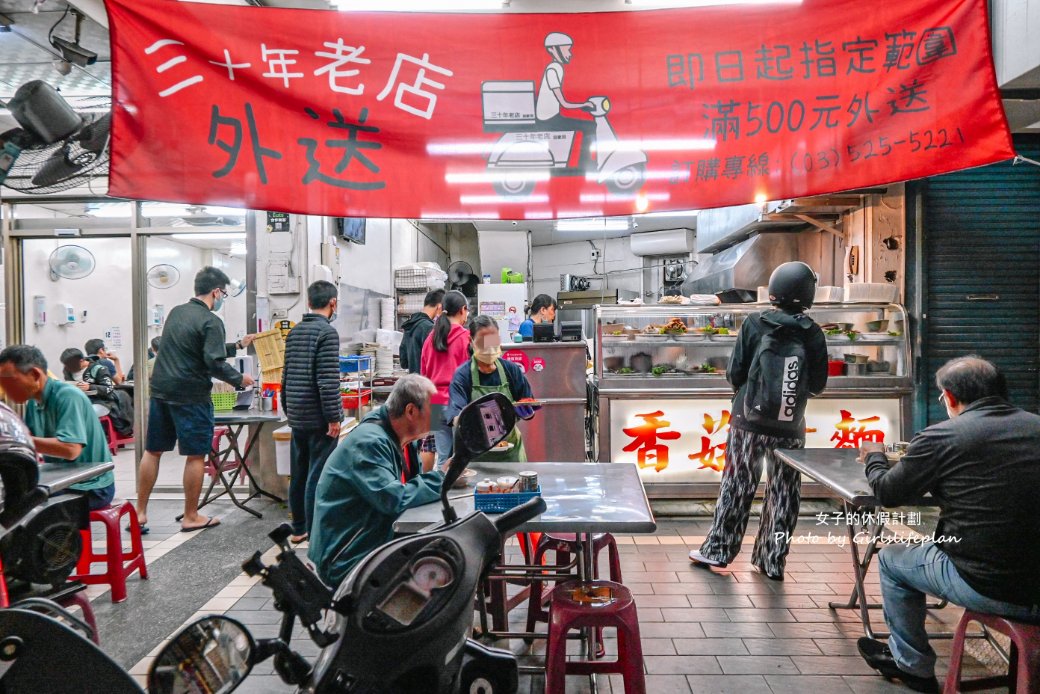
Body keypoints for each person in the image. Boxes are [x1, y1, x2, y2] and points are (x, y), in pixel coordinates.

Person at [855, 356, 1040, 693]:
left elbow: (887, 492)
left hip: (991, 586)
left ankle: (912, 666)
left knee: (891, 559)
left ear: (951, 397)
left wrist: (874, 457)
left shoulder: (942, 435)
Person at [689, 261, 828, 580]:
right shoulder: (813, 331)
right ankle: (772, 560)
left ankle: (718, 551)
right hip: (790, 425)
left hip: (747, 422)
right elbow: (819, 385)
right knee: (785, 493)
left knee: (737, 485)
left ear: (775, 290)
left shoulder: (755, 323)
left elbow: (734, 373)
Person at [136, 266, 255, 533]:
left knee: (152, 451)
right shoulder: (212, 321)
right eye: (224, 293)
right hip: (190, 395)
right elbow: (213, 362)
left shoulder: (177, 313)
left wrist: (237, 345)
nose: (223, 298)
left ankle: (140, 513)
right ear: (216, 291)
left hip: (160, 391)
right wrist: (240, 379)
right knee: (195, 456)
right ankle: (191, 516)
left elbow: (194, 348)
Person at [309, 374, 444, 586]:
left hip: (375, 541)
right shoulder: (369, 443)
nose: (439, 416)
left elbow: (410, 489)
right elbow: (395, 499)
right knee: (439, 571)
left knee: (446, 554)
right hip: (345, 557)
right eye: (433, 409)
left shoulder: (405, 440)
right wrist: (443, 478)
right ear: (410, 411)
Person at [0, 345, 115, 510]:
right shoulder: (34, 402)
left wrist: (18, 440)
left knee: (26, 509)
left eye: (10, 380)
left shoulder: (68, 396)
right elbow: (28, 446)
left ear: (34, 374)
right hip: (62, 480)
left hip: (91, 486)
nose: (5, 388)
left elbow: (70, 449)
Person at [282, 280, 343, 544]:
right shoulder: (327, 333)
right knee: (317, 475)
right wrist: (334, 417)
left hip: (297, 414)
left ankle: (298, 528)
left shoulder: (295, 332)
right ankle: (315, 530)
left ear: (308, 303)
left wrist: (289, 409)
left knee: (299, 472)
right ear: (333, 303)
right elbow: (327, 380)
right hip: (318, 416)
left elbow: (286, 377)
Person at [446, 315, 537, 463]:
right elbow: (455, 415)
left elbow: (527, 403)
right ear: (471, 341)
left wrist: (527, 411)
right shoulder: (463, 375)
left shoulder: (511, 371)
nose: (489, 347)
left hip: (510, 454)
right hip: (476, 457)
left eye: (492, 341)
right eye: (483, 342)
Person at [419, 290, 471, 466]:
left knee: (442, 458)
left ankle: (441, 492)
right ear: (463, 310)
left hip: (434, 404)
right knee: (461, 458)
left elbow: (423, 375)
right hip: (457, 405)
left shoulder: (430, 339)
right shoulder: (465, 338)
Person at [536, 32, 596, 170]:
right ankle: (582, 166)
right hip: (549, 119)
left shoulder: (557, 68)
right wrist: (584, 105)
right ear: (553, 49)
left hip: (553, 117)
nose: (569, 53)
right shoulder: (553, 70)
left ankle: (581, 163)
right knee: (590, 127)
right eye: (566, 49)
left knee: (587, 126)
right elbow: (564, 103)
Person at [60, 347, 134, 437]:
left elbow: (108, 388)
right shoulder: (68, 371)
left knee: (84, 412)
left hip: (102, 402)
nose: (69, 368)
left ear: (81, 360)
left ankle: (93, 439)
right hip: (80, 401)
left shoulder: (99, 369)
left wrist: (90, 387)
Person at [399, 289, 444, 374]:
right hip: (426, 382)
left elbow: (404, 363)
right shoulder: (429, 328)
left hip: (414, 381)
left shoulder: (409, 325)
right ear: (439, 307)